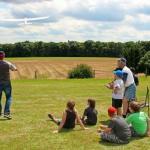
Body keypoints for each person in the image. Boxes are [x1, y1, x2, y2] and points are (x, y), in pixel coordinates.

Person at [0, 51, 17, 119]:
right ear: (3, 56)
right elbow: (15, 69)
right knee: (9, 97)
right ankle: (6, 113)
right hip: (6, 83)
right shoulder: (7, 63)